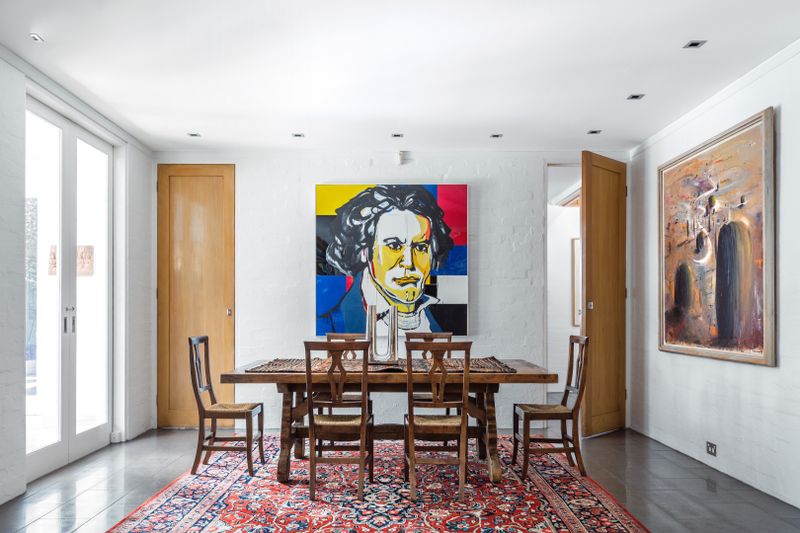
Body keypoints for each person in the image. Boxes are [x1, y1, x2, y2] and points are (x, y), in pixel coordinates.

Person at [319, 185, 454, 333]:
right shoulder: (332, 325)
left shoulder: (446, 319)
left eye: (420, 247)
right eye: (394, 246)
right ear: (365, 252)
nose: (409, 262)